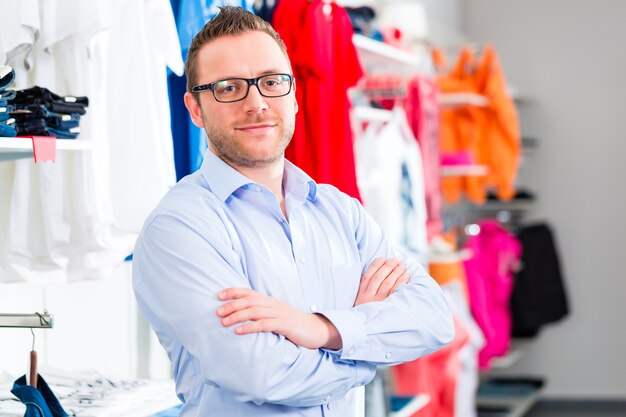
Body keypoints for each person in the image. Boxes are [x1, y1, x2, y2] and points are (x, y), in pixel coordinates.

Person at [132, 6, 454, 417]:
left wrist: (320, 328)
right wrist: (364, 348)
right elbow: (262, 373)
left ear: (294, 95)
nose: (256, 103)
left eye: (271, 82)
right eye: (229, 88)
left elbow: (432, 317)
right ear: (195, 109)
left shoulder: (342, 212)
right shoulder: (179, 229)